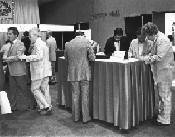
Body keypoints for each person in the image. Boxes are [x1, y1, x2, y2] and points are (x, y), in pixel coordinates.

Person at [139, 22, 174, 126]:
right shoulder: (157, 39)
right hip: (161, 71)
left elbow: (159, 57)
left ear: (150, 33)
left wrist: (144, 58)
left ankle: (165, 119)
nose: (146, 38)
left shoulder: (162, 40)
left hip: (165, 70)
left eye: (146, 35)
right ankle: (162, 116)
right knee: (162, 95)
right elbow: (153, 53)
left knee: (165, 96)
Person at [18, 27, 52, 115]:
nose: (29, 38)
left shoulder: (37, 44)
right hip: (45, 70)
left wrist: (26, 57)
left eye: (30, 36)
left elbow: (39, 57)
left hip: (39, 71)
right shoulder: (43, 43)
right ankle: (44, 107)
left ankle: (46, 105)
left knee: (34, 89)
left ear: (35, 36)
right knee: (45, 90)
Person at [64, 31, 95, 123]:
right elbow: (92, 57)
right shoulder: (86, 42)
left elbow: (66, 58)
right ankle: (85, 118)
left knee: (75, 95)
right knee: (85, 96)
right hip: (84, 72)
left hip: (73, 73)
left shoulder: (68, 44)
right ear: (82, 35)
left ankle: (76, 117)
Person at [5, 27, 35, 111]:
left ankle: (32, 104)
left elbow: (18, 57)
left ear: (16, 35)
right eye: (8, 34)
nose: (8, 35)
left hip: (19, 72)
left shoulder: (20, 44)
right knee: (12, 90)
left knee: (24, 89)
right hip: (11, 71)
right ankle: (13, 107)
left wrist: (7, 59)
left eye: (10, 34)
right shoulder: (9, 44)